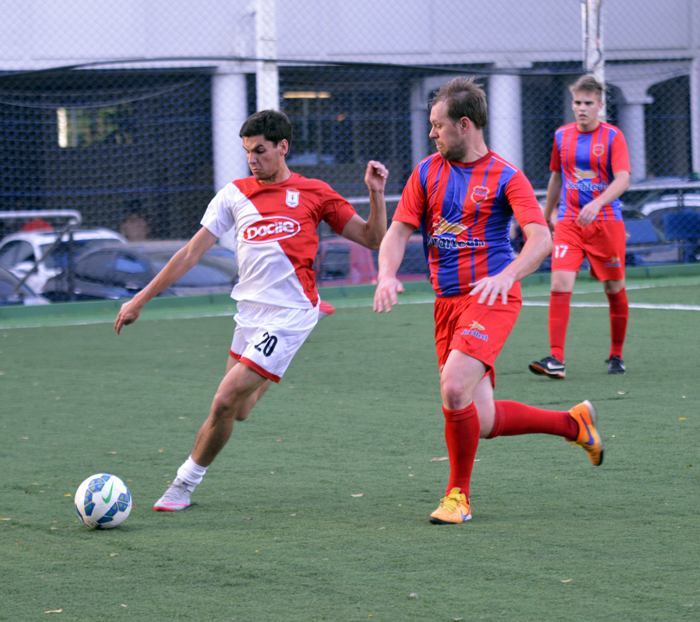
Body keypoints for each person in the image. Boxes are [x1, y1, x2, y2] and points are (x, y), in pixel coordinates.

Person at [114, 110, 389, 511]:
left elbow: (373, 238)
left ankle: (183, 485)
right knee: (240, 411)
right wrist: (140, 299)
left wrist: (377, 193)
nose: (253, 159)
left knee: (224, 400)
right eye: (247, 152)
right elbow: (191, 252)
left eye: (260, 150)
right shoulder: (234, 194)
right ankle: (274, 361)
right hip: (250, 314)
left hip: (291, 314)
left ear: (283, 147)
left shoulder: (315, 192)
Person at [373, 77, 603, 525]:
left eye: (438, 126)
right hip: (448, 304)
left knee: (454, 386)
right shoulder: (425, 172)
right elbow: (398, 231)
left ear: (464, 124)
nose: (432, 134)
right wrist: (386, 274)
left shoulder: (506, 176)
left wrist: (507, 274)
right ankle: (573, 424)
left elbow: (540, 238)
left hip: (493, 297)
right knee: (483, 419)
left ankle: (457, 496)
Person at [529, 75, 631, 378]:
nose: (582, 108)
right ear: (572, 104)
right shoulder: (562, 136)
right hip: (570, 222)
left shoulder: (613, 136)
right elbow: (557, 177)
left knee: (614, 289)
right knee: (559, 285)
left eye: (589, 103)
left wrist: (598, 203)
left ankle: (616, 354)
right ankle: (556, 359)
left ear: (600, 105)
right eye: (577, 102)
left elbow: (623, 178)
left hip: (606, 224)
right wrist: (547, 214)